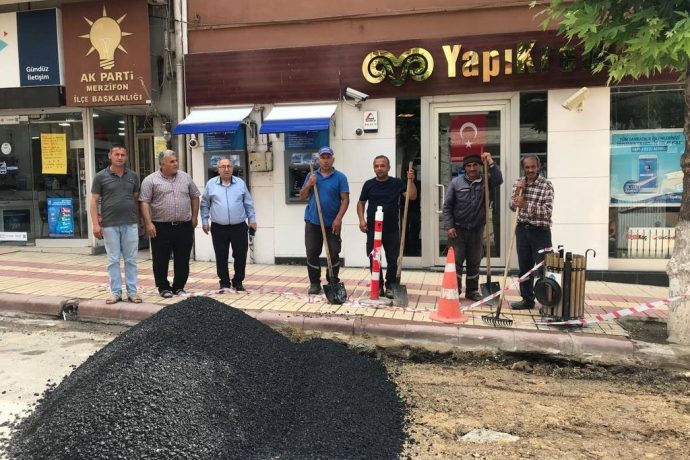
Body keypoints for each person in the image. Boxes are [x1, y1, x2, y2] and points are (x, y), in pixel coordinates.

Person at [442, 151, 503, 301]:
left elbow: (498, 179)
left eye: (475, 165)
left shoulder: (485, 181)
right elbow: (447, 206)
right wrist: (449, 226)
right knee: (456, 263)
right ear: (465, 168)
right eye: (469, 166)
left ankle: (472, 290)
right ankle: (455, 289)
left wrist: (490, 161)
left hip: (477, 229)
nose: (472, 168)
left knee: (474, 262)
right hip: (458, 230)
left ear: (479, 166)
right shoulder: (456, 183)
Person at [139, 150, 201, 298]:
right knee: (161, 259)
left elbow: (195, 196)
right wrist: (148, 223)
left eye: (176, 161)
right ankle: (163, 287)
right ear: (162, 164)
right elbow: (144, 202)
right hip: (161, 227)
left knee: (183, 258)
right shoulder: (150, 180)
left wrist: (194, 216)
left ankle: (179, 286)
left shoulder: (185, 177)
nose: (176, 164)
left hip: (184, 226)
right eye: (172, 162)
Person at [357, 155, 417, 298]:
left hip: (391, 229)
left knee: (393, 259)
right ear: (374, 168)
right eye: (377, 166)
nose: (379, 168)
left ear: (388, 167)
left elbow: (412, 196)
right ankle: (377, 286)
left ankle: (390, 286)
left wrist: (411, 181)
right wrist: (361, 220)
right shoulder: (368, 184)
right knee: (374, 258)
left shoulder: (396, 183)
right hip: (372, 228)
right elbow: (361, 203)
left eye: (382, 165)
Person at [90, 144, 142, 304]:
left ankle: (132, 292)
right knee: (113, 260)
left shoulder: (133, 176)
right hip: (110, 224)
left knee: (131, 259)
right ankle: (116, 292)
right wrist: (95, 224)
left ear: (126, 157)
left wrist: (139, 221)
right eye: (117, 154)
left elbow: (136, 200)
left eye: (123, 155)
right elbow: (93, 201)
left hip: (130, 223)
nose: (120, 157)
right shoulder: (100, 176)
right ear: (110, 156)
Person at [200, 156, 257, 291]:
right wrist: (204, 221)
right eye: (223, 167)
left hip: (239, 226)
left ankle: (238, 281)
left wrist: (252, 220)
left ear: (232, 168)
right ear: (218, 169)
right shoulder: (211, 184)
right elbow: (204, 204)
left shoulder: (240, 183)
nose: (226, 169)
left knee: (240, 255)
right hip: (219, 227)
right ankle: (224, 282)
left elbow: (248, 203)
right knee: (221, 255)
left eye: (229, 166)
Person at [299, 146, 350, 295]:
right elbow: (302, 196)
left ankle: (333, 280)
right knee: (312, 252)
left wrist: (338, 219)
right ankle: (314, 283)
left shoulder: (340, 177)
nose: (326, 160)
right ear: (318, 160)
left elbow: (345, 199)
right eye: (323, 157)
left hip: (332, 223)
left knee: (334, 252)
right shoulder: (311, 176)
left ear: (333, 159)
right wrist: (309, 184)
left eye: (328, 157)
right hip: (313, 221)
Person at [509, 155, 554, 310]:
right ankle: (527, 300)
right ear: (523, 168)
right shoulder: (519, 183)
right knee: (525, 267)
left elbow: (547, 212)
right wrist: (518, 194)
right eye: (527, 167)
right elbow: (512, 206)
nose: (530, 170)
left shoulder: (546, 185)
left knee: (544, 267)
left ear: (538, 166)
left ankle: (546, 301)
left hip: (540, 232)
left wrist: (526, 205)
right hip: (522, 229)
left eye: (533, 167)